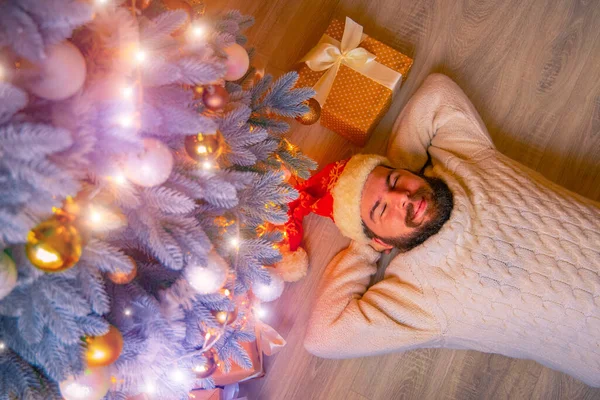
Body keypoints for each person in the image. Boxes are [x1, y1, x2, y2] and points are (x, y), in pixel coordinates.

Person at [289, 74, 600, 387]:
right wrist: (364, 246)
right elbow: (324, 337)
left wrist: (403, 167)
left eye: (395, 181)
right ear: (382, 241)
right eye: (381, 210)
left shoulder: (460, 159)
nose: (403, 199)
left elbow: (437, 90)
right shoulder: (421, 297)